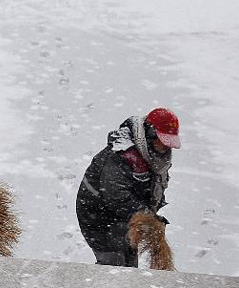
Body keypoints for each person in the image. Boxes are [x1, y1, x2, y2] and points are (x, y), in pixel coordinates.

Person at [76, 108, 181, 267]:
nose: (166, 147)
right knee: (114, 263)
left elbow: (152, 189)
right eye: (162, 141)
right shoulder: (122, 153)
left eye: (168, 143)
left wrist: (153, 218)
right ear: (149, 133)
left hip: (124, 214)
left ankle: (125, 286)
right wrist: (145, 215)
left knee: (130, 264)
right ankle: (106, 286)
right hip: (97, 213)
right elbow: (115, 194)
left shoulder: (155, 158)